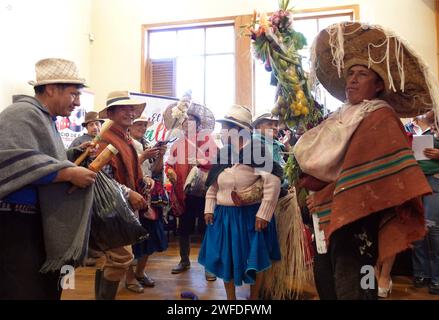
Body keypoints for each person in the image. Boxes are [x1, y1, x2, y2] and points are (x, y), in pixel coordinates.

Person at [294, 22, 436, 299]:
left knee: (358, 284)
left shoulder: (380, 117)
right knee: (328, 282)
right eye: (350, 74)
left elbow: (370, 174)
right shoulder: (343, 115)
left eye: (361, 74)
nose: (352, 80)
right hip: (328, 217)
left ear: (379, 84)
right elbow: (322, 161)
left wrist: (323, 194)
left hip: (358, 218)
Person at [0, 58, 96, 299]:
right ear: (51, 88)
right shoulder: (21, 113)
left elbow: (40, 157)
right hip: (14, 225)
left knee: (42, 287)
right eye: (74, 94)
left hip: (34, 224)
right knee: (21, 288)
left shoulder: (45, 118)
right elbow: (7, 160)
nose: (78, 102)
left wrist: (71, 157)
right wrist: (67, 172)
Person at [198, 104, 283, 300]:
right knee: (227, 258)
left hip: (250, 217)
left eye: (228, 127)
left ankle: (254, 298)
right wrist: (209, 208)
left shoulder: (256, 151)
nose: (223, 131)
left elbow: (272, 182)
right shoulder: (223, 153)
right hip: (225, 217)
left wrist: (264, 213)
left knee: (254, 258)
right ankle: (231, 299)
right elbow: (213, 183)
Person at [93, 91, 149, 299]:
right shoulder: (105, 141)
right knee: (121, 259)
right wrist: (128, 192)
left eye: (132, 108)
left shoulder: (124, 139)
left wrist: (144, 183)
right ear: (111, 113)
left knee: (111, 260)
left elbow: (132, 170)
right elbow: (101, 179)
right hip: (111, 210)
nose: (131, 112)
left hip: (121, 208)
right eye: (124, 108)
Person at [163, 99, 218, 281]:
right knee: (184, 229)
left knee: (205, 229)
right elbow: (168, 164)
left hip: (203, 193)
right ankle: (184, 260)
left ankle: (208, 266)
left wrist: (201, 162)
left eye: (192, 121)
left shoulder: (207, 140)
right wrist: (170, 171)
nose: (188, 124)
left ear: (199, 124)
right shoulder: (177, 143)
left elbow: (216, 162)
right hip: (182, 193)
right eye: (185, 122)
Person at [127, 116, 168, 288]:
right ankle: (129, 277)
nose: (142, 127)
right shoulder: (125, 143)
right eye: (139, 124)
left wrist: (160, 155)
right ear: (130, 125)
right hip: (129, 193)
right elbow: (126, 167)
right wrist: (143, 156)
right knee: (129, 238)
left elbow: (154, 170)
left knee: (150, 233)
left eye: (144, 125)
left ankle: (140, 271)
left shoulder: (147, 144)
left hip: (148, 195)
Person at [410, 110, 439, 295]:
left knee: (433, 229)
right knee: (416, 229)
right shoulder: (411, 127)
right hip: (414, 182)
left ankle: (436, 277)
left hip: (434, 181)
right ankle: (420, 272)